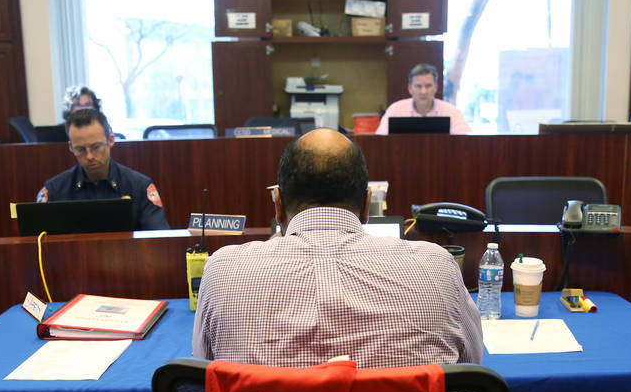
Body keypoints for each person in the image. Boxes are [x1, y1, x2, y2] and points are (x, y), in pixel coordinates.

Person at [192, 128, 482, 368]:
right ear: (368, 205)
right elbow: (471, 374)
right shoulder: (437, 267)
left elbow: (205, 384)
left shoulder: (222, 271)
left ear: (278, 205)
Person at [36, 108, 169, 229]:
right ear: (71, 147)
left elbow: (158, 239)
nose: (89, 156)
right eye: (81, 149)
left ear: (111, 140)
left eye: (96, 147)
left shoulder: (139, 186)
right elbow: (37, 243)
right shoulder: (54, 190)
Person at [374, 63, 470, 135]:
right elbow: (380, 140)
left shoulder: (451, 111)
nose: (423, 91)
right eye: (418, 86)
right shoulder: (395, 110)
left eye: (428, 86)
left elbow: (465, 141)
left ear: (436, 87)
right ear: (410, 88)